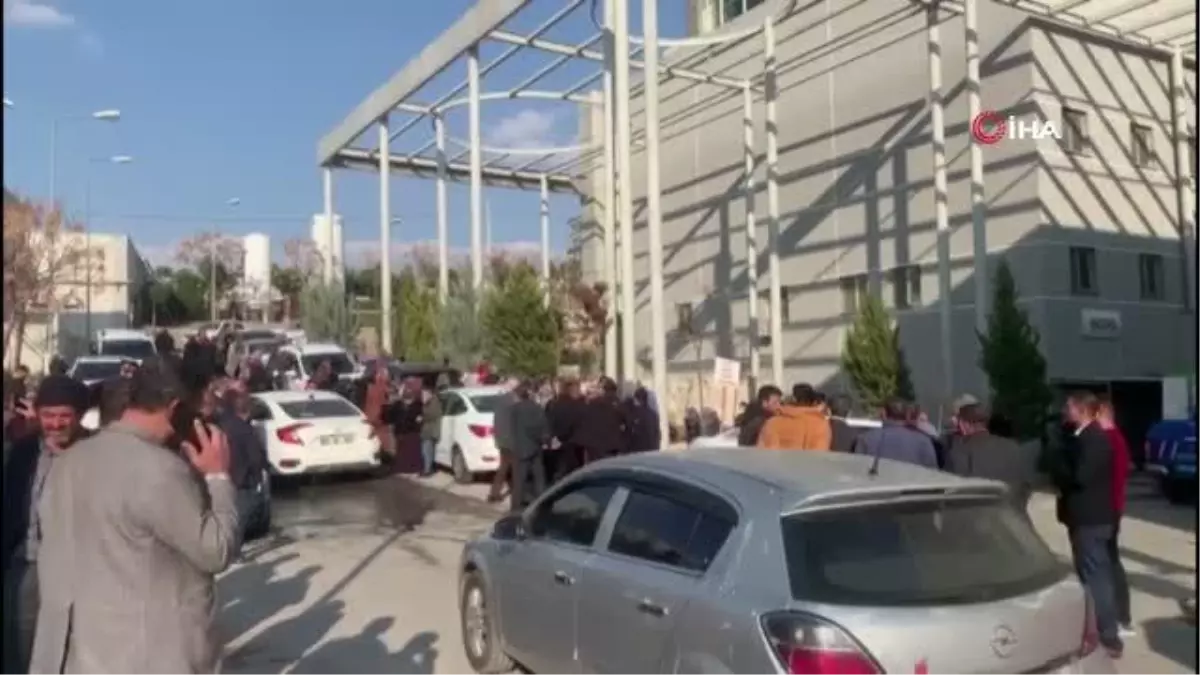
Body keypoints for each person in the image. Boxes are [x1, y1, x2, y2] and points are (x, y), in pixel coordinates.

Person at [29, 358, 240, 675]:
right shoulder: (160, 470)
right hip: (147, 658)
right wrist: (218, 477)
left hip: (80, 656)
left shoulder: (67, 463)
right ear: (175, 408)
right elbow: (216, 550)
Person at [2, 375, 91, 675]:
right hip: (27, 563)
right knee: (19, 644)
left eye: (64, 416)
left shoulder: (95, 450)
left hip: (77, 567)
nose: (55, 423)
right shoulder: (24, 451)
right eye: (48, 415)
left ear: (79, 415)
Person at [1053, 391, 1122, 658]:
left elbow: (1081, 476)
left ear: (1082, 410)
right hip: (1087, 518)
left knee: (1096, 579)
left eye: (1069, 407)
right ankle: (1097, 631)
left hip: (1091, 520)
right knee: (1092, 576)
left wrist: (1060, 467)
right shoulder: (1081, 436)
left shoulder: (1094, 439)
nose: (1065, 410)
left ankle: (1107, 636)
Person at [945, 403, 1037, 513]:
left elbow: (953, 493)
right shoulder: (1013, 447)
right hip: (1012, 517)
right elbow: (1026, 486)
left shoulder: (960, 451)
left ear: (964, 425)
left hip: (977, 518)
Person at [1096, 395, 1135, 638]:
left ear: (1102, 414)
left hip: (1108, 509)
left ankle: (1120, 617)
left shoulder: (1111, 439)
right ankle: (1121, 616)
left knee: (1109, 562)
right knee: (1110, 560)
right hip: (1112, 507)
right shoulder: (1115, 438)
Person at [214, 384, 270, 540]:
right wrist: (259, 478)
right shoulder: (244, 429)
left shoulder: (217, 425)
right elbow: (255, 457)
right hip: (241, 483)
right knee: (238, 525)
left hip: (219, 480)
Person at [851, 397, 939, 469]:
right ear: (907, 414)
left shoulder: (865, 439)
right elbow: (933, 476)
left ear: (883, 413)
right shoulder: (924, 442)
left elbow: (856, 472)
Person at [509, 380, 550, 512]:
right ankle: (542, 504)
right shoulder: (537, 408)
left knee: (519, 480)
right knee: (539, 478)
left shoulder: (514, 409)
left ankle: (516, 506)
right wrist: (544, 440)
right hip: (535, 447)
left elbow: (511, 428)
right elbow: (543, 426)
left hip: (520, 448)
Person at [758, 383, 832, 451]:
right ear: (813, 401)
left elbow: (763, 454)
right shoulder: (821, 425)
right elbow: (820, 455)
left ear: (792, 400)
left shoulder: (772, 423)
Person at [576, 377, 627, 464]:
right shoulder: (619, 404)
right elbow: (626, 423)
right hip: (613, 446)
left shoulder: (594, 403)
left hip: (595, 446)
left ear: (602, 390)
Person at [487, 378, 520, 504]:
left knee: (504, 467)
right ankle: (517, 493)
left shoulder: (499, 400)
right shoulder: (513, 401)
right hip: (511, 439)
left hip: (501, 439)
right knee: (515, 468)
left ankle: (494, 493)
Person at [546, 378, 586, 482]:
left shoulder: (555, 404)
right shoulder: (576, 404)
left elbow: (550, 421)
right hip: (573, 441)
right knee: (570, 469)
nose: (578, 392)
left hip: (562, 440)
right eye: (576, 389)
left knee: (563, 468)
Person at [362, 363, 395, 459]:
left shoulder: (371, 388)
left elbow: (368, 402)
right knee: (384, 437)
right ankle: (385, 454)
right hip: (381, 417)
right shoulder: (386, 389)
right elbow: (388, 401)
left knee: (374, 436)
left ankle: (377, 453)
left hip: (372, 416)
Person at [623, 387, 662, 453]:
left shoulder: (634, 414)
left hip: (638, 451)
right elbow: (657, 433)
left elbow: (631, 434)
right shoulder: (653, 414)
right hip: (652, 450)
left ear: (637, 399)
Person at [419, 383, 443, 477]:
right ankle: (428, 468)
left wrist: (422, 418)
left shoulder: (434, 402)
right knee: (426, 450)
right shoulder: (428, 402)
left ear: (429, 393)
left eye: (424, 394)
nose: (423, 396)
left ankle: (427, 470)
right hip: (427, 430)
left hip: (431, 430)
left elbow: (433, 414)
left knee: (427, 450)